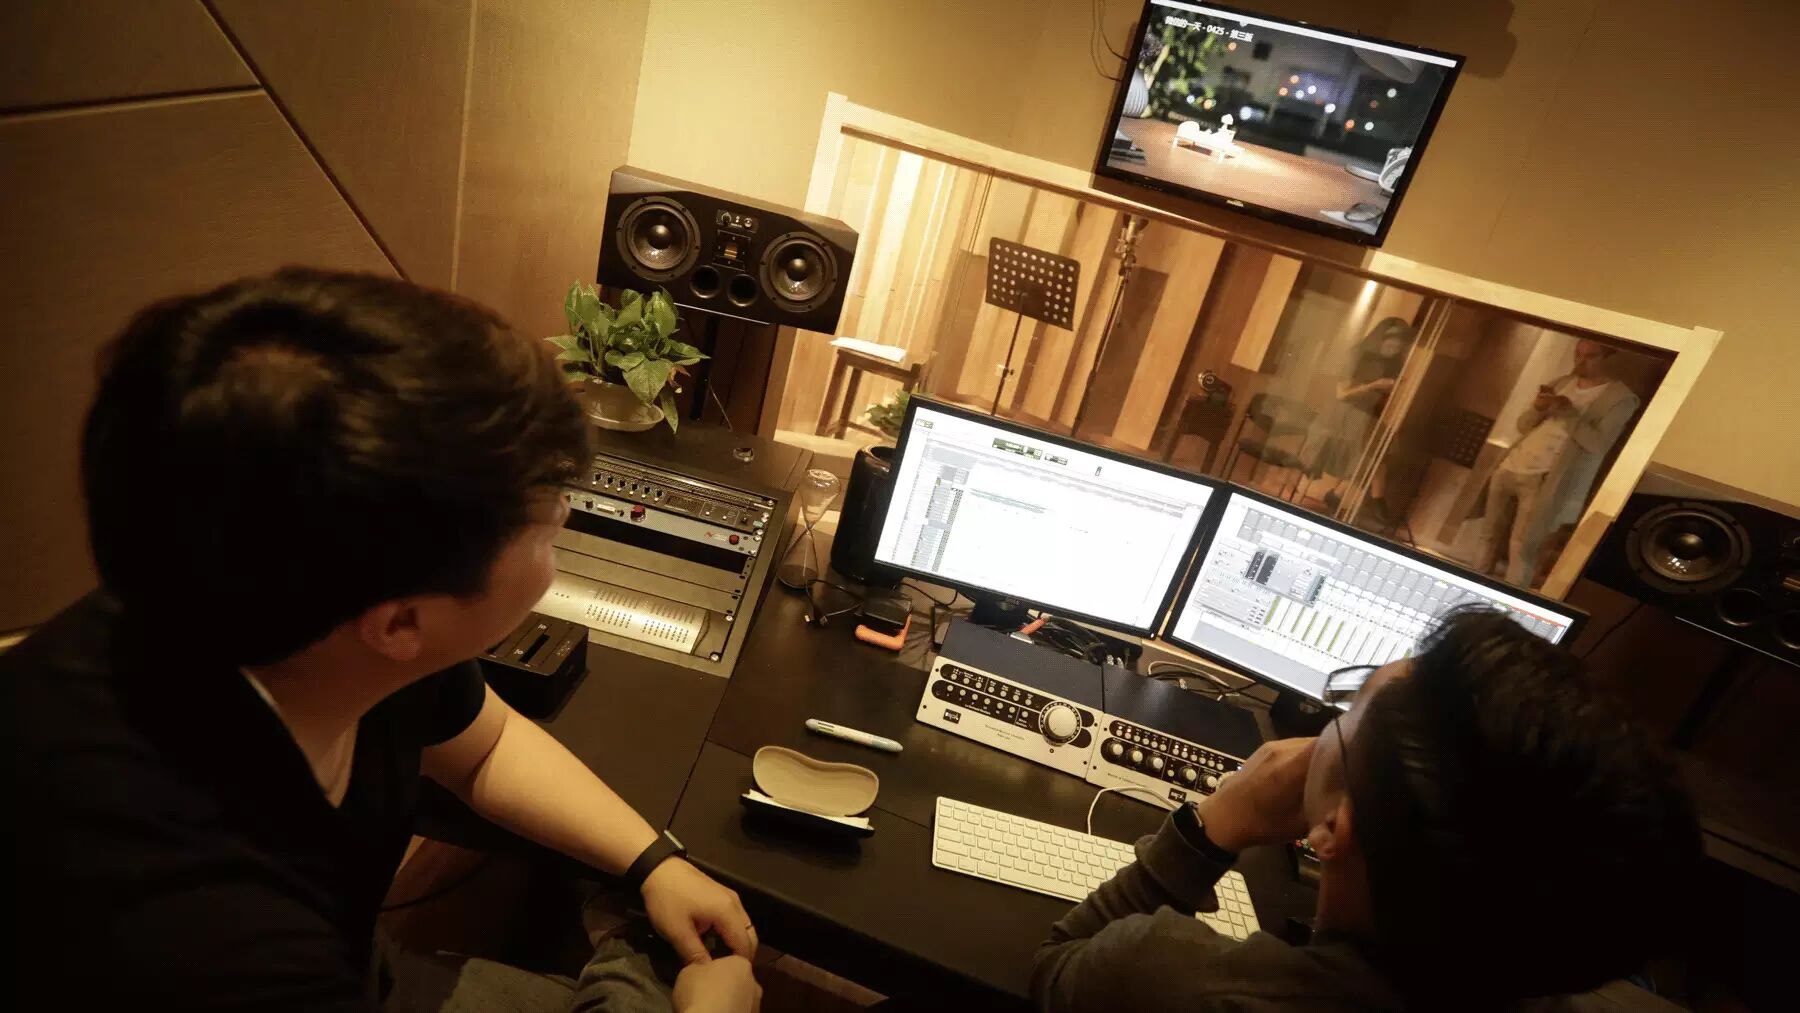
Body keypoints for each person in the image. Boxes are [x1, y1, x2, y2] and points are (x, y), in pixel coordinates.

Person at [4, 270, 762, 1013]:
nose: (564, 516)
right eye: (543, 521)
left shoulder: (283, 606)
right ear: (400, 624)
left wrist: (653, 861)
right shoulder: (205, 933)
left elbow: (485, 745)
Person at [1032, 609, 1700, 1011]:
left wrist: (1213, 827)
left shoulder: (1171, 982)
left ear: (1335, 828)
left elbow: (1057, 967)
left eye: (1348, 712)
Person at [1473, 339, 1639, 587]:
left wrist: (1569, 413)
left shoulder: (1620, 398)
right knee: (1487, 533)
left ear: (1607, 358)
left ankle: (1513, 597)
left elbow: (1598, 445)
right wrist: (1538, 408)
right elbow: (1524, 426)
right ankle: (1474, 582)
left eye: (1590, 356)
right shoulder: (1562, 383)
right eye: (1577, 354)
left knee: (1522, 545)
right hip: (1512, 464)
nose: (1580, 361)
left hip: (1544, 478)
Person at [1302, 316, 1412, 518]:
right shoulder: (1358, 355)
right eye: (1391, 343)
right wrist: (1374, 385)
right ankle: (1371, 500)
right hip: (1342, 415)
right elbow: (1342, 394)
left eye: (1399, 345)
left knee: (1380, 454)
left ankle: (1357, 497)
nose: (1395, 348)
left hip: (1366, 416)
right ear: (1380, 339)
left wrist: (1390, 387)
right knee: (1369, 458)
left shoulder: (1391, 363)